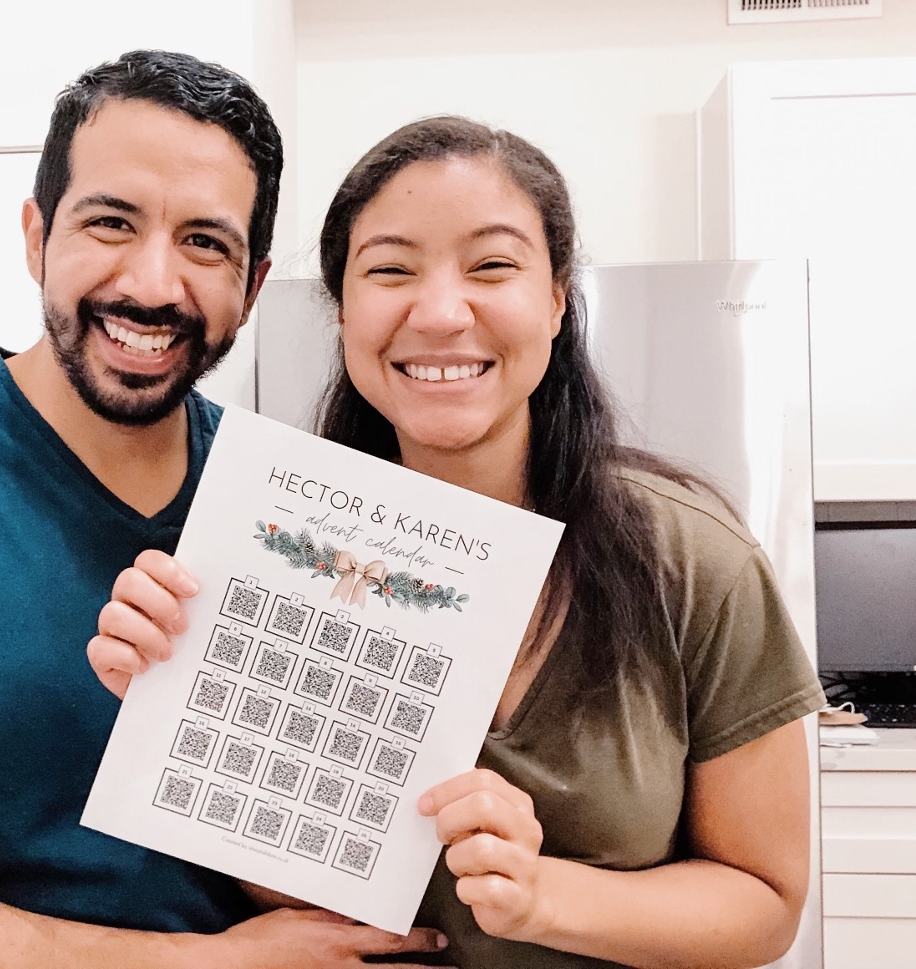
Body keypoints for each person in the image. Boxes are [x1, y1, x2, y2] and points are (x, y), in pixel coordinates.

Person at [0, 51, 445, 968]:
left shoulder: (293, 509)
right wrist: (207, 964)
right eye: (111, 222)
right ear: (36, 236)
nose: (152, 284)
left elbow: (319, 880)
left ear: (252, 284)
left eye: (204, 242)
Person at [91, 115, 826, 969]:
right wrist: (180, 708)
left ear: (556, 300)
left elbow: (767, 903)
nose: (440, 313)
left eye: (493, 266)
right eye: (391, 270)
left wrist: (542, 896)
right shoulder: (277, 555)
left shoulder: (696, 562)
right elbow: (301, 896)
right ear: (343, 311)